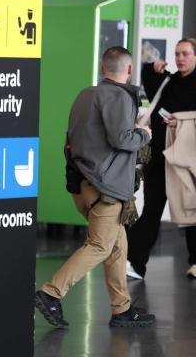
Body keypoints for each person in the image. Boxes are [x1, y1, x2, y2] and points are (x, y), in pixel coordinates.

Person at [35, 47, 156, 329]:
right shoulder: (120, 97)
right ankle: (51, 293)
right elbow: (122, 139)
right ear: (128, 70)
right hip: (107, 188)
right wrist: (144, 134)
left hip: (83, 184)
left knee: (117, 246)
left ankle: (121, 308)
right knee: (101, 245)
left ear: (103, 69)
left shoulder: (85, 95)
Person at [126, 38, 196, 280]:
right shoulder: (171, 80)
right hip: (159, 155)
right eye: (177, 53)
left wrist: (184, 119)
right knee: (153, 208)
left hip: (186, 158)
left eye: (186, 53)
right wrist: (150, 68)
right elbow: (151, 87)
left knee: (190, 212)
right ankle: (135, 262)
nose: (180, 58)